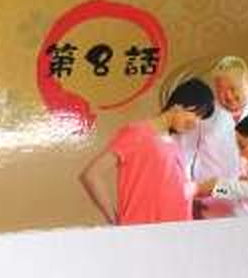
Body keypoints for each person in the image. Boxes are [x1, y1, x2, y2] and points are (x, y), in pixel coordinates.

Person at [78, 78, 214, 226]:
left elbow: (168, 188)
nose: (196, 122)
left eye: (201, 118)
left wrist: (198, 190)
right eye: (196, 114)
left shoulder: (173, 143)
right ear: (179, 104)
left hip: (178, 231)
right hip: (145, 232)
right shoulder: (137, 132)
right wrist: (115, 221)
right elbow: (91, 175)